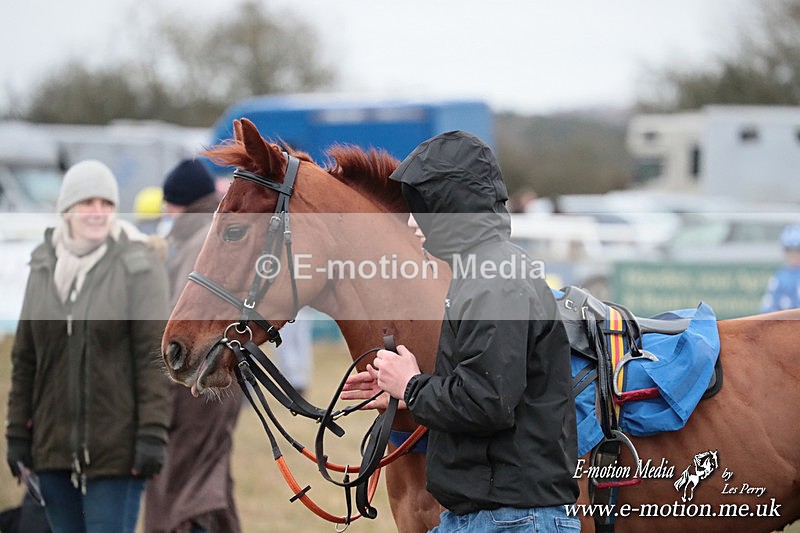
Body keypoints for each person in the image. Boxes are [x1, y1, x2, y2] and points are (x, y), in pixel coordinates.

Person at [341, 131, 580, 532]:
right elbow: (491, 395)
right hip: (492, 515)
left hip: (511, 519)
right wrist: (407, 399)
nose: (413, 223)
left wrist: (413, 384)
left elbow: (487, 402)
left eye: (422, 206)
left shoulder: (494, 279)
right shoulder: (480, 272)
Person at [5, 159, 172, 533]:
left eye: (106, 204)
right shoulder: (43, 265)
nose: (98, 213)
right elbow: (25, 358)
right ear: (67, 210)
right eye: (87, 203)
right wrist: (17, 434)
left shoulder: (139, 263)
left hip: (118, 451)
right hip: (52, 450)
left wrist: (152, 435)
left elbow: (152, 360)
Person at [143, 158, 244, 533]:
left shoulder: (197, 242)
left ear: (181, 204)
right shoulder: (205, 233)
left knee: (185, 485)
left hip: (196, 383)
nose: (167, 213)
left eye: (170, 205)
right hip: (215, 379)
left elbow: (183, 326)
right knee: (208, 473)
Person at [760, 223, 800, 313]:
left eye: (798, 250)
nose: (794, 255)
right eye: (789, 251)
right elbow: (768, 307)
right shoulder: (780, 277)